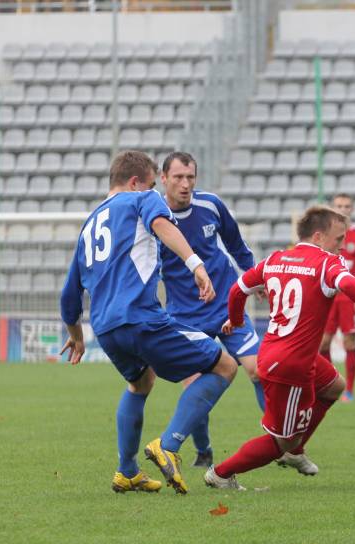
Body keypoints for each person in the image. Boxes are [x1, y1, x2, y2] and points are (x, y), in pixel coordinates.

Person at [60, 150, 237, 495]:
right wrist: (196, 265)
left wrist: (77, 337)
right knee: (225, 366)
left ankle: (127, 471)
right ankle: (168, 445)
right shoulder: (142, 199)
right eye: (153, 183)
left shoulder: (89, 225)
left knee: (141, 383)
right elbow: (161, 224)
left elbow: (69, 296)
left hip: (106, 329)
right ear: (135, 182)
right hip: (140, 317)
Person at [205, 206, 355, 490]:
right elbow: (349, 284)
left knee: (333, 386)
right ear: (318, 236)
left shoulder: (275, 259)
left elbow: (237, 290)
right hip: (290, 365)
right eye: (338, 239)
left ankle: (295, 450)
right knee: (279, 441)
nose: (341, 246)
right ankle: (220, 473)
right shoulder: (327, 263)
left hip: (285, 353)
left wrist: (236, 318)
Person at [158, 151, 266, 468]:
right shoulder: (155, 217)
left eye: (190, 177)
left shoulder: (211, 205)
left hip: (225, 307)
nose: (185, 184)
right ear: (163, 179)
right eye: (178, 177)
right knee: (195, 384)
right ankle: (203, 451)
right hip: (184, 315)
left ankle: (281, 441)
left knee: (258, 369)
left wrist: (254, 278)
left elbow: (236, 245)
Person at [319, 193, 355, 403]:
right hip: (328, 295)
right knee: (323, 343)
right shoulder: (324, 234)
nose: (343, 209)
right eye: (339, 205)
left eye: (347, 206)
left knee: (350, 342)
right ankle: (331, 383)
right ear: (332, 208)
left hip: (349, 297)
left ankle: (349, 390)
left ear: (352, 209)